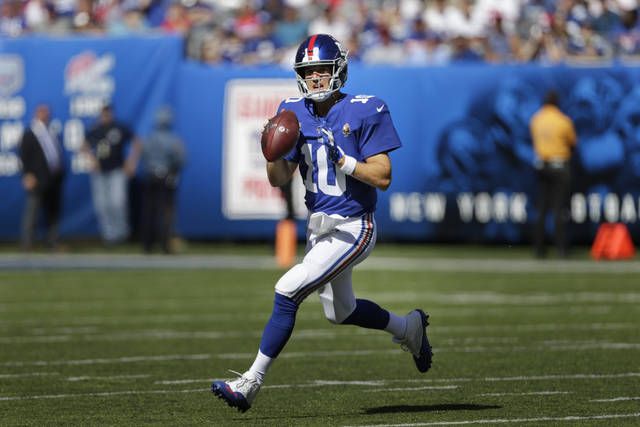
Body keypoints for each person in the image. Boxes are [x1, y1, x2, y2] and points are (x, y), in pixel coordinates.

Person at [212, 34, 433, 413]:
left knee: (288, 288)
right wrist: (271, 153)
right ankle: (408, 327)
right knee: (340, 312)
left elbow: (382, 176)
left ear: (339, 71)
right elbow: (279, 179)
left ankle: (250, 383)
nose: (315, 79)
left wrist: (345, 162)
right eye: (308, 72)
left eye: (321, 71)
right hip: (319, 228)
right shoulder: (291, 110)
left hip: (353, 225)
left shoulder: (366, 108)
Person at [83, 105, 142, 246]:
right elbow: (83, 145)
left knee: (117, 202)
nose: (106, 117)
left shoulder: (119, 127)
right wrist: (91, 159)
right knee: (102, 205)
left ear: (112, 114)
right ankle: (109, 236)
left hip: (117, 170)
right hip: (100, 172)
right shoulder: (95, 129)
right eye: (103, 114)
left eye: (108, 114)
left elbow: (137, 143)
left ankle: (122, 233)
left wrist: (131, 162)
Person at [530, 90, 577, 258]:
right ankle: (561, 248)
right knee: (558, 209)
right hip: (559, 165)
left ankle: (539, 248)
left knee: (542, 208)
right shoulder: (563, 120)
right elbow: (572, 143)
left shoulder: (536, 119)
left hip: (541, 165)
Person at [139, 105, 185, 254]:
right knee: (166, 212)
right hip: (166, 179)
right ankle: (165, 244)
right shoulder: (173, 140)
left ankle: (147, 244)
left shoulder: (149, 139)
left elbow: (143, 156)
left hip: (151, 177)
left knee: (149, 211)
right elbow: (181, 159)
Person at [19, 104, 65, 251]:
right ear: (36, 114)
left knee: (52, 212)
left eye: (47, 112)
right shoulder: (29, 133)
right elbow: (23, 156)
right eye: (42, 112)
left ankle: (52, 241)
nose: (45, 115)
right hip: (36, 178)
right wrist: (27, 175)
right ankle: (28, 242)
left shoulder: (52, 131)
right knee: (32, 211)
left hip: (53, 178)